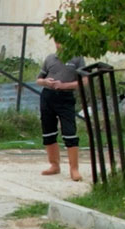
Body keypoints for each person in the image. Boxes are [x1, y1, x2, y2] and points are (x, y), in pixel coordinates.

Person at [37, 43, 85, 182]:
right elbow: (38, 79)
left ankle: (74, 169)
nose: (60, 44)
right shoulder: (50, 58)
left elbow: (84, 81)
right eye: (57, 41)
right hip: (48, 96)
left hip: (65, 97)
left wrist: (64, 85)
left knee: (70, 131)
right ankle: (54, 165)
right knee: (48, 131)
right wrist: (46, 82)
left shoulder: (77, 59)